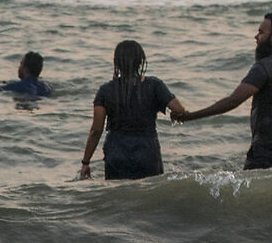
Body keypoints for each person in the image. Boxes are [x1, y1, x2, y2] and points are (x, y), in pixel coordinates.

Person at [180, 10, 272, 171]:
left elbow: (233, 101)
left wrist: (190, 116)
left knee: (253, 194)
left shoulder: (264, 66)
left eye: (261, 33)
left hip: (268, 147)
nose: (256, 37)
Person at [78, 39, 189, 181]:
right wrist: (175, 113)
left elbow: (96, 130)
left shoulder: (105, 90)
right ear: (141, 61)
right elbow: (179, 109)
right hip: (147, 152)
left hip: (116, 153)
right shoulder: (155, 85)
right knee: (149, 195)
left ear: (116, 63)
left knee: (118, 197)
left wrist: (86, 162)